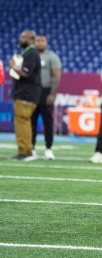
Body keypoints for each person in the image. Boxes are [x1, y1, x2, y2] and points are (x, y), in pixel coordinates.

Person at [8, 30, 41, 161]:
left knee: (22, 121)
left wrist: (13, 67)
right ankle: (26, 149)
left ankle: (25, 151)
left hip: (26, 94)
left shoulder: (31, 53)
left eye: (23, 37)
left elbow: (26, 73)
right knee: (24, 121)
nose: (20, 39)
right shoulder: (28, 52)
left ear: (31, 39)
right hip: (25, 93)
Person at [30, 34, 62, 160]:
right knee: (31, 121)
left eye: (42, 41)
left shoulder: (51, 56)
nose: (39, 43)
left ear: (46, 42)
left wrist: (52, 94)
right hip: (32, 91)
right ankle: (31, 148)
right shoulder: (31, 55)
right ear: (34, 42)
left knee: (48, 122)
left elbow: (56, 76)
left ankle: (48, 148)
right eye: (37, 41)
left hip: (46, 91)